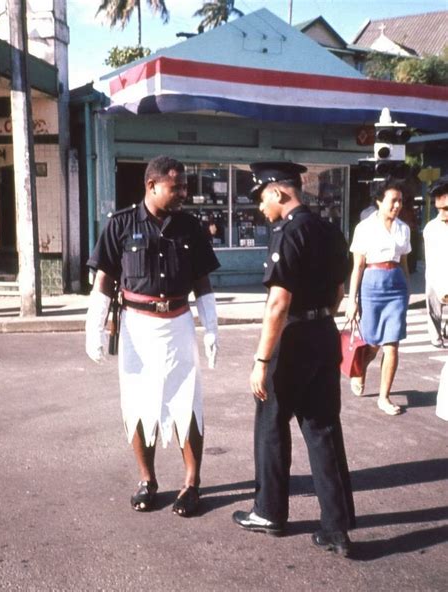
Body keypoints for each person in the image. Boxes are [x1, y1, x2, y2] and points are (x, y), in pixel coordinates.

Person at [85, 156, 220, 517]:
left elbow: (202, 282)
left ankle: (191, 484)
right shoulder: (121, 224)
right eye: (176, 187)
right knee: (138, 404)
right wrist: (93, 327)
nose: (183, 193)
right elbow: (105, 279)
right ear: (152, 186)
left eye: (184, 187)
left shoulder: (190, 227)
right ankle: (148, 480)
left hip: (178, 323)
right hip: (136, 329)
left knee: (187, 404)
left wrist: (211, 327)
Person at [232, 161, 356, 557]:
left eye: (261, 199)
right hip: (324, 334)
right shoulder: (329, 229)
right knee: (322, 428)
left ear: (279, 192)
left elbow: (277, 305)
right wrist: (322, 318)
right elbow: (338, 291)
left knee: (271, 423)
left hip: (295, 338)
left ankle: (269, 512)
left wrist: (261, 360)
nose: (259, 209)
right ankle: (336, 527)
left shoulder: (287, 233)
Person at [346, 179, 411, 416]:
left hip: (396, 286)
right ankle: (360, 369)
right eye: (393, 200)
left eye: (400, 201)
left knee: (392, 344)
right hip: (372, 285)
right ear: (379, 201)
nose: (397, 205)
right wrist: (352, 300)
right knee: (372, 344)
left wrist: (407, 290)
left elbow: (404, 262)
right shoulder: (364, 228)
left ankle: (384, 397)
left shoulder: (404, 228)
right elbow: (358, 266)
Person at [423, 176, 448, 348]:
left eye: (446, 208)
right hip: (437, 280)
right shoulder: (431, 228)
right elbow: (432, 265)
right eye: (439, 209)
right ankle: (438, 336)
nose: (443, 213)